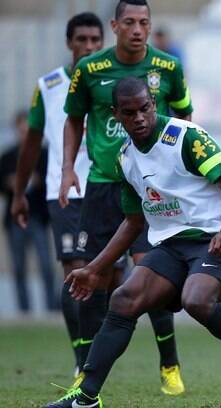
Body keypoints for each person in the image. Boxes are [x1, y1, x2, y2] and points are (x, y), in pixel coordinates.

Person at [43, 77, 221, 408]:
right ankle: (85, 397)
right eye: (129, 112)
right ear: (116, 114)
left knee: (196, 299)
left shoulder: (185, 138)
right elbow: (133, 221)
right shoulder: (125, 158)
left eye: (144, 108)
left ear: (153, 105)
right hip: (173, 245)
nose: (138, 117)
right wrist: (95, 269)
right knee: (123, 299)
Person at [59, 0, 194, 395]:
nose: (138, 29)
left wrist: (179, 169)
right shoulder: (90, 70)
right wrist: (69, 169)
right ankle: (84, 371)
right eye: (130, 22)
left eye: (145, 23)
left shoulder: (168, 67)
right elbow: (73, 120)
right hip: (103, 184)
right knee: (93, 277)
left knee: (150, 272)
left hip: (150, 185)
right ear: (115, 25)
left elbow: (186, 118)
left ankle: (169, 361)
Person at [12, 11, 102, 377]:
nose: (89, 47)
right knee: (74, 273)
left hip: (107, 188)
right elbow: (32, 142)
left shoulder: (111, 80)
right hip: (63, 191)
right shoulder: (48, 85)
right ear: (69, 43)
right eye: (82, 39)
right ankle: (82, 360)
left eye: (96, 40)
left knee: (111, 277)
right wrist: (19, 193)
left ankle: (101, 352)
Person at [0, 110, 55, 313]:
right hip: (15, 220)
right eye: (21, 130)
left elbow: (53, 180)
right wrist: (10, 183)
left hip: (38, 217)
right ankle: (24, 312)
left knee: (46, 265)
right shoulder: (7, 156)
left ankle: (51, 309)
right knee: (19, 268)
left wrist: (37, 180)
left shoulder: (45, 154)